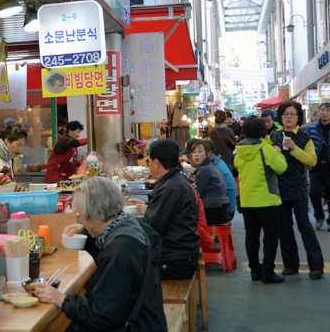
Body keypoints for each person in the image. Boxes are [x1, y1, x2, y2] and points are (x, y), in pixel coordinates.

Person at [32, 177, 166, 332]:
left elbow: (104, 314)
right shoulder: (129, 225)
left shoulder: (119, 252)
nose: (80, 218)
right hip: (149, 321)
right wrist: (85, 231)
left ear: (93, 211)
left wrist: (61, 299)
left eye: (80, 214)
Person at [129, 139, 200, 280]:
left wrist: (121, 223)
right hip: (180, 254)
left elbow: (152, 227)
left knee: (123, 268)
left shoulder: (171, 187)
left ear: (156, 162)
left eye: (149, 161)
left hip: (174, 261)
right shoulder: (174, 181)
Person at [270, 101, 324, 279]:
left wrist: (294, 149)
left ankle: (316, 266)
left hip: (299, 188)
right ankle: (290, 265)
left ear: (299, 117)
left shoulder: (304, 137)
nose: (289, 117)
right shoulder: (274, 136)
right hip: (279, 189)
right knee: (284, 229)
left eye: (293, 114)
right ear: (281, 116)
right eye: (285, 113)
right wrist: (273, 153)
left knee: (305, 226)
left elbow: (312, 161)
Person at [234, 116, 287, 283]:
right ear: (264, 132)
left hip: (247, 200)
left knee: (252, 236)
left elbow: (236, 167)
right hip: (266, 199)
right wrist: (280, 154)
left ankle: (255, 272)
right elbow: (281, 168)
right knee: (271, 235)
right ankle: (268, 272)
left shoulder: (240, 151)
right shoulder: (267, 149)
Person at [189, 141, 230, 225]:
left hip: (212, 209)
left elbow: (196, 193)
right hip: (219, 207)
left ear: (207, 154)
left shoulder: (204, 169)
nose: (196, 155)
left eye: (200, 151)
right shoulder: (210, 166)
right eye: (194, 152)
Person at [304, 102, 330, 230]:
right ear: (319, 112)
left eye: (328, 110)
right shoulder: (311, 127)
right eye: (323, 110)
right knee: (314, 192)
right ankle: (319, 217)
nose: (325, 113)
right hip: (316, 166)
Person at [0, 124, 29, 191]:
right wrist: (32, 193)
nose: (19, 149)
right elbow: (8, 185)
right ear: (7, 141)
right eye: (18, 145)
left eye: (21, 146)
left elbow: (11, 185)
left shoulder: (6, 159)